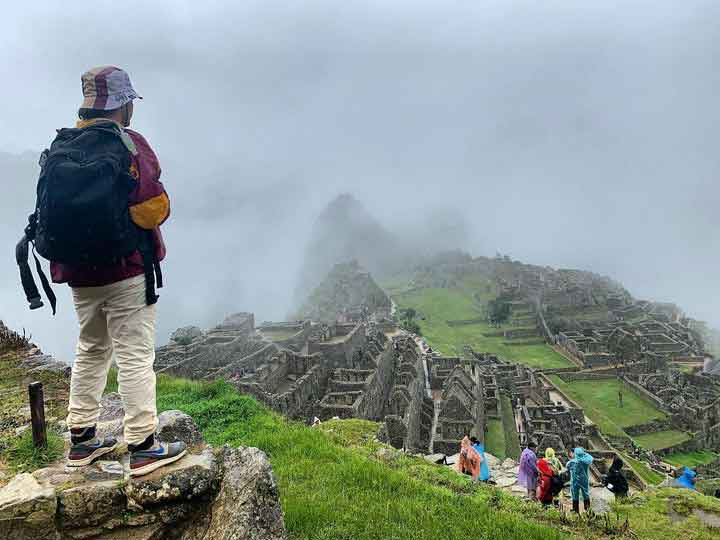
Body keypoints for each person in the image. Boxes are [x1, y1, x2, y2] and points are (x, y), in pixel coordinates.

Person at [55, 66, 185, 476]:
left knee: (90, 348)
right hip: (126, 269)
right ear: (123, 106)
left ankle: (81, 440)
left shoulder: (64, 144)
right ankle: (144, 445)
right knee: (133, 354)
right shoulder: (130, 145)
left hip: (78, 274)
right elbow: (152, 209)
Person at [567, 447, 593, 513]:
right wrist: (583, 454)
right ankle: (587, 510)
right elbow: (590, 458)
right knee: (585, 494)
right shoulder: (586, 461)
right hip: (584, 480)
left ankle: (575, 510)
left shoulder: (572, 462)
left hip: (575, 481)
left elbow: (567, 466)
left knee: (575, 494)